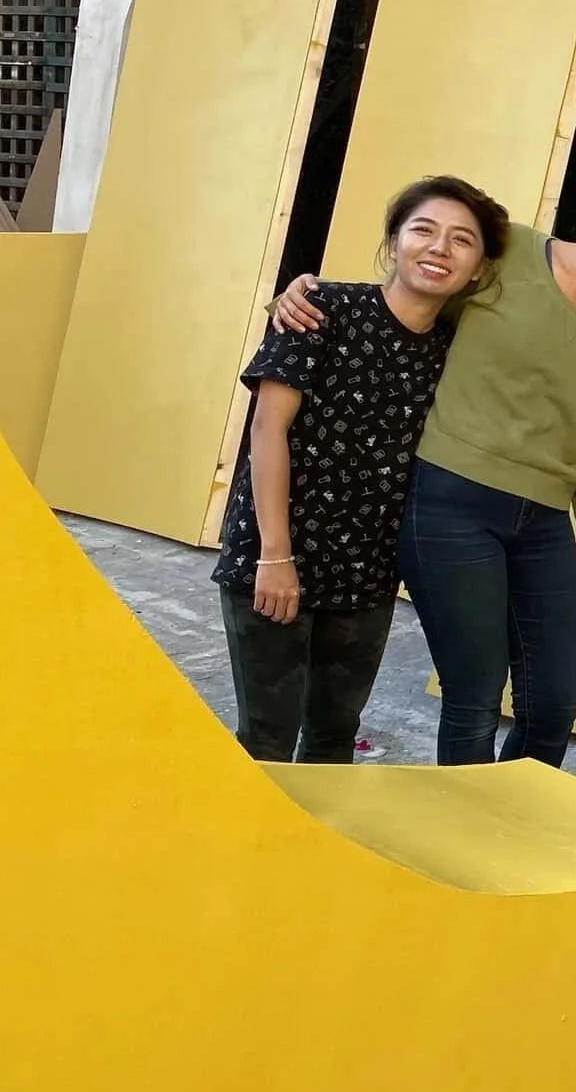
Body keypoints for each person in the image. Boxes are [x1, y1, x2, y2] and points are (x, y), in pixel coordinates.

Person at [274, 197, 576, 765]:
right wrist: (312, 299)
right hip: (449, 502)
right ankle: (462, 820)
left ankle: (512, 814)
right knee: (475, 698)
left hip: (542, 523)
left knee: (552, 707)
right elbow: (413, 294)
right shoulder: (512, 250)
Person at [215, 176, 507, 761]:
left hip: (368, 571)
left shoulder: (458, 349)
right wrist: (275, 556)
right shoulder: (321, 310)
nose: (439, 248)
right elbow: (267, 431)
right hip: (276, 553)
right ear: (394, 242)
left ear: (478, 269)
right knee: (266, 738)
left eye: (461, 240)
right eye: (423, 230)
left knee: (333, 735)